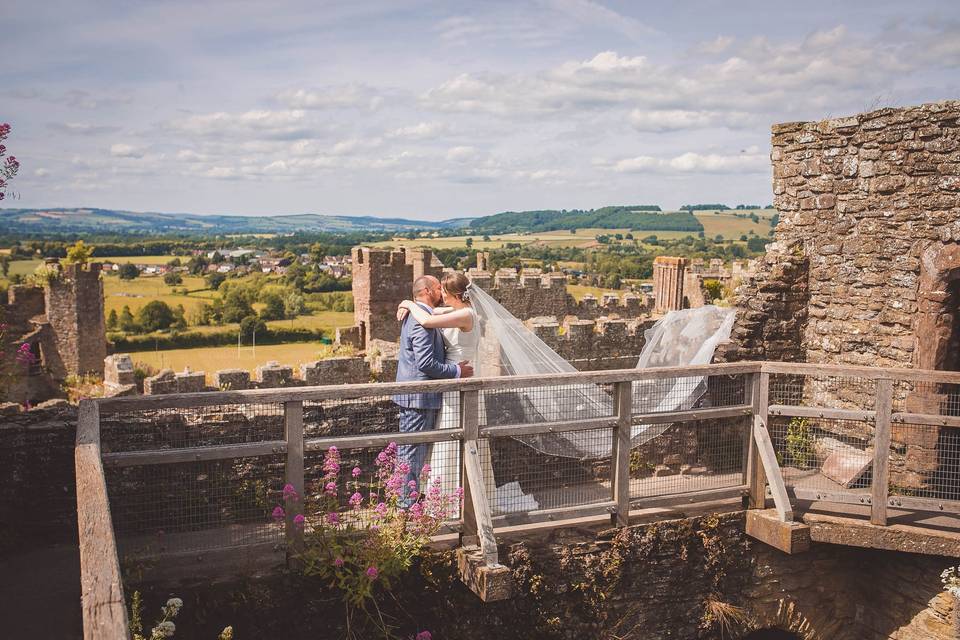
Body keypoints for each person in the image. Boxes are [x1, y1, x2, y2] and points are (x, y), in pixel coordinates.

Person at [397, 272, 480, 499]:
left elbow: (427, 319)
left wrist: (407, 303)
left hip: (459, 382)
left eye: (442, 290)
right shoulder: (457, 311)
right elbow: (427, 315)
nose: (440, 294)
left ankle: (449, 498)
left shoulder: (464, 314)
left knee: (449, 440)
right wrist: (410, 303)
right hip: (439, 388)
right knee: (419, 449)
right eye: (437, 289)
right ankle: (415, 501)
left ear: (452, 293)